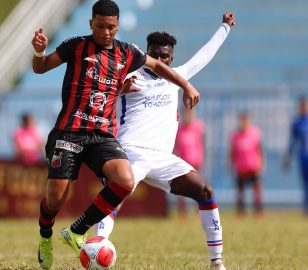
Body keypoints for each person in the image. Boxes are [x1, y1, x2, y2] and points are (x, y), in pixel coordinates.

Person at [31, 1, 200, 269]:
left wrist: (186, 85)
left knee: (124, 180)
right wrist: (39, 52)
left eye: (111, 27)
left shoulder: (127, 52)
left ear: (118, 26)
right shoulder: (76, 46)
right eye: (100, 26)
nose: (106, 32)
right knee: (54, 201)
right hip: (69, 132)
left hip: (102, 135)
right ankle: (44, 235)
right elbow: (40, 68)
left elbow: (158, 66)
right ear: (90, 24)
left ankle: (76, 231)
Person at [94, 12, 236, 270]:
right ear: (147, 52)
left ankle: (217, 262)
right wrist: (117, 90)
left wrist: (224, 27)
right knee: (116, 194)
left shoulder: (177, 76)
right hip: (131, 152)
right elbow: (97, 93)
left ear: (171, 58)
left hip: (162, 157)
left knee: (206, 191)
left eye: (164, 56)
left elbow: (206, 54)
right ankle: (96, 246)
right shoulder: (130, 75)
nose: (159, 60)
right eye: (154, 54)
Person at [228, 112, 264, 217]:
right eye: (242, 120)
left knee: (257, 190)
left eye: (245, 120)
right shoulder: (235, 136)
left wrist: (261, 164)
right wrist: (231, 164)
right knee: (240, 192)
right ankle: (241, 212)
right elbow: (232, 152)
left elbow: (260, 150)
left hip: (253, 167)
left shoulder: (255, 133)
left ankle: (259, 212)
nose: (243, 122)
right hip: (241, 167)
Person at [174, 107, 206, 220]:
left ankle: (201, 213)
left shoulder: (198, 128)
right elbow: (176, 147)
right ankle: (182, 213)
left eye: (190, 113)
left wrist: (202, 158)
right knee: (182, 189)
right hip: (183, 163)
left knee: (199, 188)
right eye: (186, 113)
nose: (188, 116)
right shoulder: (179, 129)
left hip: (195, 162)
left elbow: (202, 144)